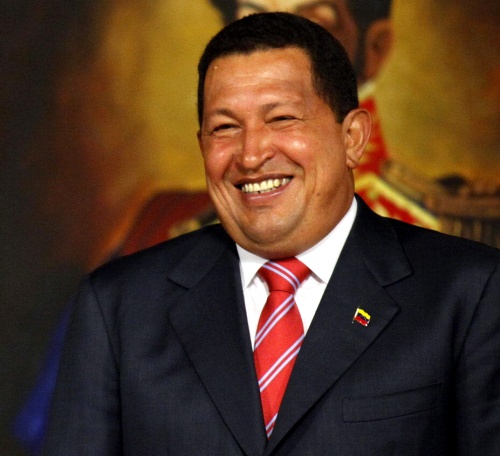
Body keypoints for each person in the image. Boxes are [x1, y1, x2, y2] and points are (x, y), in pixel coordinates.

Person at [42, 12, 499, 455]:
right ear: (202, 145)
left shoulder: (469, 293)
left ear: (353, 137)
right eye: (225, 127)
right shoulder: (119, 306)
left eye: (281, 119)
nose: (250, 154)